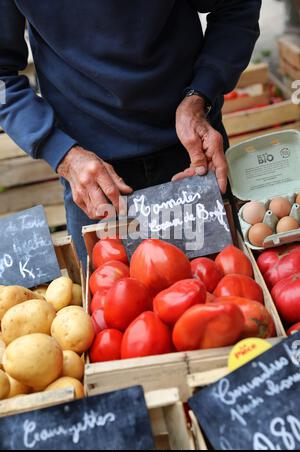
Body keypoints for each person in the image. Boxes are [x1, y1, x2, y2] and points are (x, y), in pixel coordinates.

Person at [0, 1, 261, 262]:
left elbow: (235, 7)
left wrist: (200, 95)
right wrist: (63, 154)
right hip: (92, 175)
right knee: (108, 296)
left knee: (230, 293)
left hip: (193, 153)